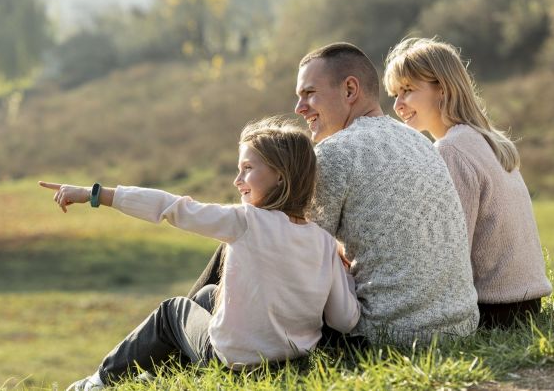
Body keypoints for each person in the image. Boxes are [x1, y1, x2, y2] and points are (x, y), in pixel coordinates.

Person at [190, 42, 479, 346]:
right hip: (459, 324)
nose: (299, 108)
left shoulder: (335, 154)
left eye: (309, 94)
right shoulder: (418, 142)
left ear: (350, 90)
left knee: (242, 240)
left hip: (387, 333)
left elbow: (290, 252)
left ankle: (191, 344)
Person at [40, 117, 360, 391]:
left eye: (248, 169)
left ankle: (98, 381)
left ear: (281, 176)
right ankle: (160, 373)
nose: (237, 181)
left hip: (232, 364)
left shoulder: (246, 222)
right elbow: (344, 319)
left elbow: (172, 208)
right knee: (208, 295)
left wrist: (93, 194)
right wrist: (345, 272)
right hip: (286, 364)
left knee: (172, 312)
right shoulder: (323, 242)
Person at [384, 37, 552, 328]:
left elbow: (448, 248)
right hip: (526, 301)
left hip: (496, 309)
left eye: (408, 90)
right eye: (394, 94)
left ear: (443, 89)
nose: (398, 105)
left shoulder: (452, 149)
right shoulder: (485, 139)